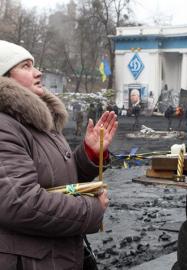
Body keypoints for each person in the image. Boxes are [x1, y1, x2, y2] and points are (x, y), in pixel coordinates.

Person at [0, 40, 118, 269]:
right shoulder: (4, 126)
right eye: (25, 66)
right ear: (5, 78)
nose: (38, 72)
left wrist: (89, 154)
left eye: (34, 65)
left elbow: (56, 181)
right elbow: (20, 202)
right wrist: (92, 209)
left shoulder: (37, 122)